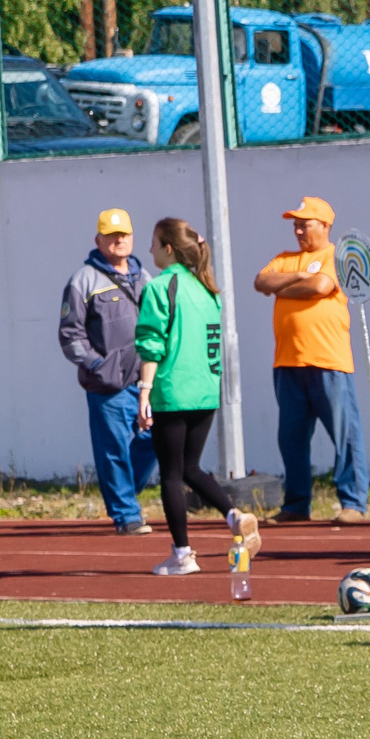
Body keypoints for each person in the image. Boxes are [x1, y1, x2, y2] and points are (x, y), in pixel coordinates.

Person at [133, 217, 258, 578]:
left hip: (172, 390)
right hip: (205, 391)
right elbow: (213, 342)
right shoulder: (208, 289)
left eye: (154, 242)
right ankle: (234, 514)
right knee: (190, 467)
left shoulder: (160, 287)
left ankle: (182, 554)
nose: (150, 249)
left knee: (171, 475)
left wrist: (145, 391)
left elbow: (151, 343)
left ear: (168, 248)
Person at [252, 195, 368, 524]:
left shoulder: (336, 255)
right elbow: (261, 281)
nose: (299, 230)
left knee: (345, 435)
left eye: (305, 224)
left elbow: (320, 285)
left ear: (325, 226)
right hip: (288, 363)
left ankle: (353, 502)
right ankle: (297, 504)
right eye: (296, 225)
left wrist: (284, 285)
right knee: (291, 438)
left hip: (329, 361)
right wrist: (297, 277)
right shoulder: (284, 258)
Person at [58, 208, 160, 534]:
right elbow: (70, 335)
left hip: (145, 380)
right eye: (112, 235)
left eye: (124, 235)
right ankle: (127, 516)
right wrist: (97, 365)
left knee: (156, 439)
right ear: (98, 239)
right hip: (107, 385)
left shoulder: (146, 279)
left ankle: (125, 492)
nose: (119, 241)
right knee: (113, 448)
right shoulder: (83, 280)